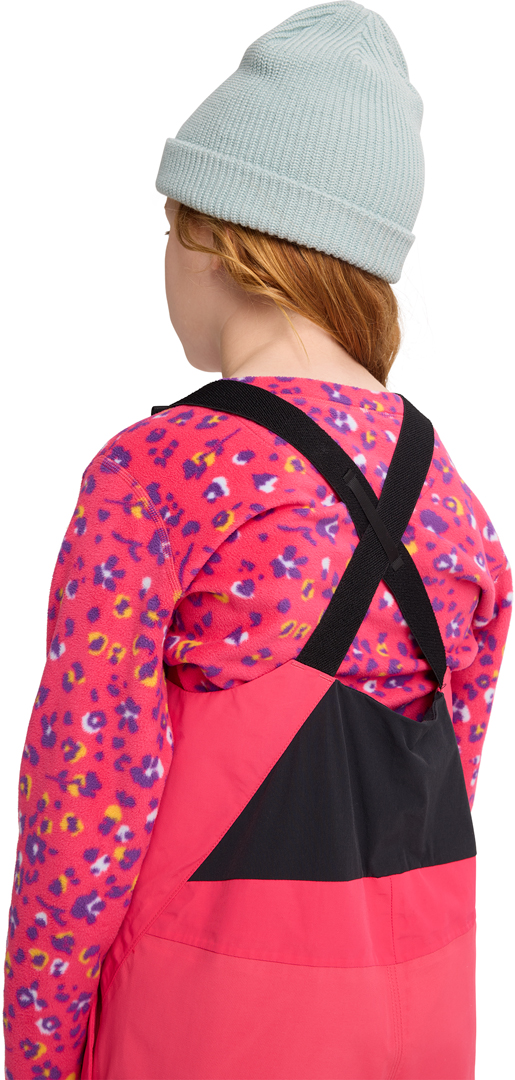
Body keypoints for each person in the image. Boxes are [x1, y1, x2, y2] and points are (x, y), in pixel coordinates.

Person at [3, 3, 511, 1079]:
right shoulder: (455, 504)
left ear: (218, 240)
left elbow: (85, 796)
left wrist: (38, 1049)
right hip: (415, 1015)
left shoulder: (160, 472)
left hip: (203, 1021)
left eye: (169, 226)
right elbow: (445, 781)